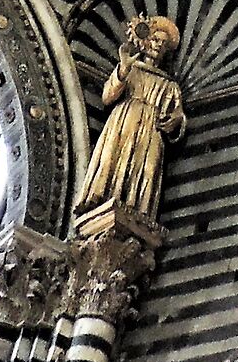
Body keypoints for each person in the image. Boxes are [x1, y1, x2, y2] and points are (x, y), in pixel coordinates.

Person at [73, 15, 187, 220]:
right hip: (123, 121)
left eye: (163, 44)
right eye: (155, 40)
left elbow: (176, 116)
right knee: (110, 160)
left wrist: (176, 119)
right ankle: (101, 200)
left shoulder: (170, 85)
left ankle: (139, 212)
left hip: (151, 130)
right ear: (145, 41)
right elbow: (107, 96)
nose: (158, 46)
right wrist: (123, 69)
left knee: (148, 170)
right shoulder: (130, 70)